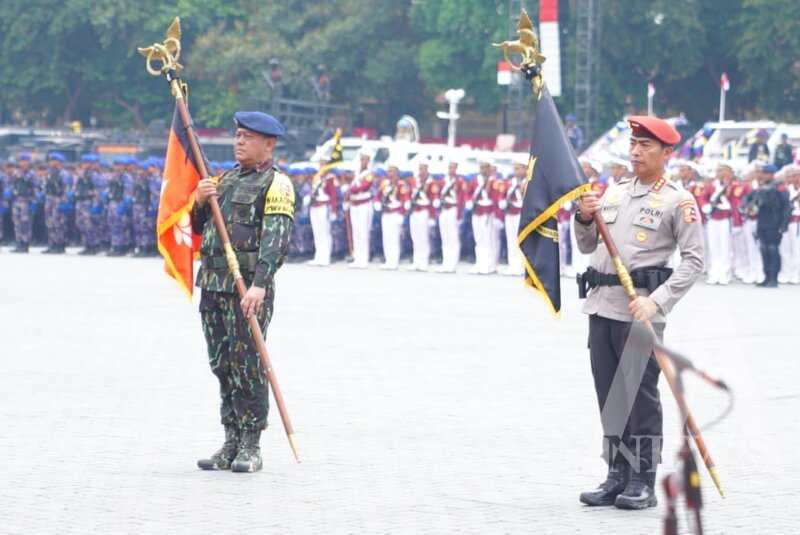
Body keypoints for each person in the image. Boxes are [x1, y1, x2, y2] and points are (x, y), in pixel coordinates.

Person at [574, 116, 704, 510]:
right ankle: (616, 473)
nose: (635, 152)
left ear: (667, 153)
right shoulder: (612, 192)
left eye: (646, 146)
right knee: (610, 396)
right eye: (633, 144)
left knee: (639, 397)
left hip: (641, 312)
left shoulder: (677, 201)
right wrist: (582, 217)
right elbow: (585, 246)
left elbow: (694, 262)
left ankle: (642, 479)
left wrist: (658, 300)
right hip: (601, 306)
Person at [192, 111, 294, 473]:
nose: (239, 142)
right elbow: (199, 229)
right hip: (214, 284)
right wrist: (201, 201)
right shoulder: (225, 180)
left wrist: (260, 285)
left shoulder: (276, 183)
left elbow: (276, 241)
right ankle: (230, 440)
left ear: (269, 144)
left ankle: (251, 444)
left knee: (248, 365)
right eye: (237, 135)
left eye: (247, 137)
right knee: (222, 364)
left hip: (247, 288)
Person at [747, 164, 792, 287]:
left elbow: (787, 207)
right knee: (764, 249)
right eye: (762, 173)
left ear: (772, 174)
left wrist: (783, 224)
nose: (763, 175)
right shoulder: (761, 188)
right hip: (762, 222)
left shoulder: (780, 188)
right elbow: (750, 200)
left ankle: (773, 278)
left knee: (773, 249)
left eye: (766, 173)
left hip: (774, 222)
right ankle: (766, 276)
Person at [703, 162, 735, 285]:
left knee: (725, 247)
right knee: (713, 247)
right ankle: (714, 273)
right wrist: (706, 206)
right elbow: (703, 198)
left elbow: (736, 202)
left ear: (729, 172)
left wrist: (728, 206)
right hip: (713, 219)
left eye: (723, 170)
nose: (720, 173)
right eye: (718, 171)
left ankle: (725, 274)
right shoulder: (711, 186)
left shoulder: (732, 186)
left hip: (725, 219)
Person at [468, 158, 500, 274]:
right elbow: (469, 193)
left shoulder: (494, 181)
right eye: (481, 167)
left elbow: (496, 199)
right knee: (479, 239)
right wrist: (469, 201)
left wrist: (496, 215)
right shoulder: (475, 180)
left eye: (485, 167)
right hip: (477, 211)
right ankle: (479, 263)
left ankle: (488, 265)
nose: (482, 170)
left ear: (489, 168)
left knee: (487, 240)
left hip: (488, 213)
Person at [375, 163, 409, 270]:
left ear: (397, 172)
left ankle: (394, 261)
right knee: (386, 237)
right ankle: (388, 260)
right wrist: (377, 203)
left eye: (392, 171)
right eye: (388, 171)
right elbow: (378, 196)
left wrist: (402, 213)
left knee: (394, 238)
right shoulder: (385, 184)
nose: (390, 173)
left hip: (395, 213)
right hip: (386, 213)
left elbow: (405, 199)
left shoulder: (400, 184)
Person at [435, 159, 465, 273]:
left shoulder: (460, 181)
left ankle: (453, 263)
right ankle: (446, 262)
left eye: (453, 167)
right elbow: (438, 194)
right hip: (444, 209)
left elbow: (461, 199)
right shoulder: (443, 181)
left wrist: (459, 215)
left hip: (453, 209)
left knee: (453, 238)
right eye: (450, 167)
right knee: (445, 236)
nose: (451, 170)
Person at [407, 162, 438, 271]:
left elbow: (434, 199)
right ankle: (416, 261)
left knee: (423, 237)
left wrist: (432, 217)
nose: (421, 171)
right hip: (414, 210)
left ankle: (424, 261)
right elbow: (409, 194)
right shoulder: (414, 181)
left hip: (424, 211)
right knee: (415, 237)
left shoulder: (430, 182)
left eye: (423, 169)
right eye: (420, 169)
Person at [348, 149, 375, 269]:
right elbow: (352, 186)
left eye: (364, 159)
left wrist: (354, 187)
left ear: (368, 160)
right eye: (361, 158)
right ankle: (357, 258)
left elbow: (364, 187)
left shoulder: (369, 173)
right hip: (354, 204)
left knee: (363, 232)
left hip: (364, 204)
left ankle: (364, 259)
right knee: (356, 232)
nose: (362, 161)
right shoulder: (357, 172)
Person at [499, 159, 526, 276]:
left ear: (525, 169)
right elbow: (503, 195)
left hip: (522, 214)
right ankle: (512, 265)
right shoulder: (510, 183)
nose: (515, 171)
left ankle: (521, 266)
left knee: (521, 240)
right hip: (510, 213)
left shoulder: (528, 182)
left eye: (518, 168)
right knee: (511, 240)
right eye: (514, 169)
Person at [41, 153, 72, 254]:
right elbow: (45, 186)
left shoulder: (64, 174)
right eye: (51, 160)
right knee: (50, 223)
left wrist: (65, 202)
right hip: (49, 199)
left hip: (59, 200)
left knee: (59, 223)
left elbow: (66, 189)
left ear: (59, 162)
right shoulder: (49, 173)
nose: (51, 162)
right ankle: (52, 244)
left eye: (53, 160)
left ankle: (60, 245)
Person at [306, 167, 337, 266]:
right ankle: (318, 256)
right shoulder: (316, 177)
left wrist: (333, 210)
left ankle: (325, 257)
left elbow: (333, 195)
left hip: (324, 206)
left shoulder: (330, 178)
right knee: (317, 232)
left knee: (325, 232)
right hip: (314, 206)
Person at [10, 154, 38, 253]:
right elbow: (12, 185)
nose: (23, 163)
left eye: (25, 161)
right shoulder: (16, 173)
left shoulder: (32, 174)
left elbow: (36, 189)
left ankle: (25, 244)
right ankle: (19, 242)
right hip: (16, 200)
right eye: (21, 161)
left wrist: (34, 202)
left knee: (25, 223)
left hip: (27, 201)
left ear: (29, 162)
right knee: (17, 222)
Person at [777, 165, 800, 284]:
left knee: (796, 249)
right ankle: (785, 272)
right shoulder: (784, 189)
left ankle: (796, 274)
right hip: (785, 222)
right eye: (791, 175)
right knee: (784, 249)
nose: (793, 178)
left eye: (796, 175)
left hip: (797, 222)